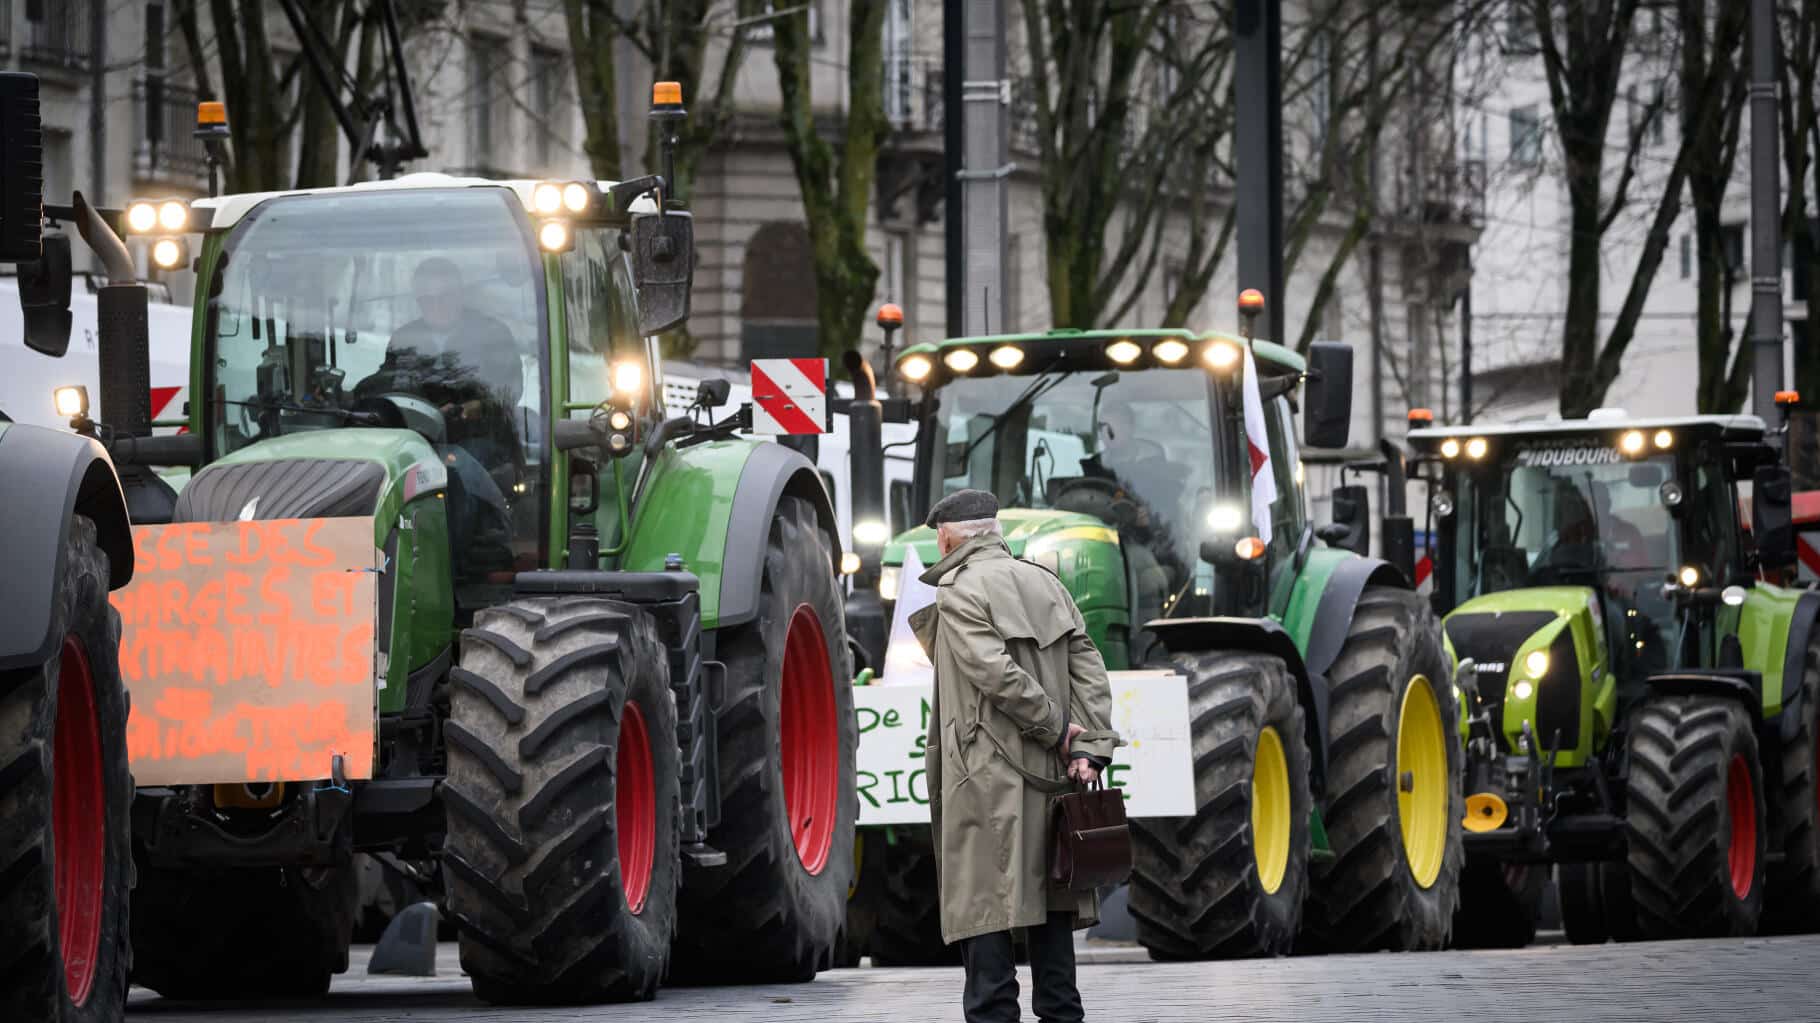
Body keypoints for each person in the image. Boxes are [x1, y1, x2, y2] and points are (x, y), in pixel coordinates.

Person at [908, 489, 1121, 1023]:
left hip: (981, 775)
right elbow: (1088, 666)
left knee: (981, 904)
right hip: (1051, 776)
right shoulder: (1046, 582)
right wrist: (1088, 747)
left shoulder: (958, 591)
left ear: (947, 537)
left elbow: (993, 673)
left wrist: (1056, 729)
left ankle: (993, 1015)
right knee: (1051, 896)